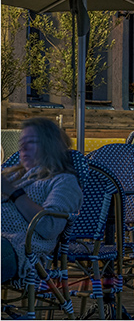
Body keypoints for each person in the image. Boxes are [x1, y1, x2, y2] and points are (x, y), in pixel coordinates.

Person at [2, 118, 83, 283]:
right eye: (22, 142)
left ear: (49, 146)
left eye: (31, 142)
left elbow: (49, 227)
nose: (23, 147)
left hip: (18, 247)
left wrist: (13, 193)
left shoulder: (63, 181)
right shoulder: (12, 175)